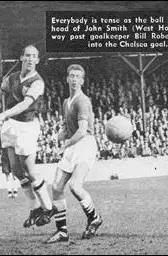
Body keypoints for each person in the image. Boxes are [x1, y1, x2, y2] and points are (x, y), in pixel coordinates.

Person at [0, 45, 55, 227]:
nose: (30, 59)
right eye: (27, 55)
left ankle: (48, 207)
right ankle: (34, 208)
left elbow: (25, 104)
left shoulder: (37, 82)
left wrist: (3, 114)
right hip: (11, 125)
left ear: (37, 60)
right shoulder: (12, 78)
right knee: (16, 170)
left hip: (27, 127)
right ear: (22, 57)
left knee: (30, 170)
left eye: (34, 57)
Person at [45, 64, 102, 244]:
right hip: (72, 145)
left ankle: (94, 218)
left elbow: (83, 130)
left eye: (78, 76)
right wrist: (60, 135)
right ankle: (62, 231)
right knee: (56, 187)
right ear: (67, 79)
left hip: (85, 145)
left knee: (75, 186)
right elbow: (67, 127)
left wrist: (66, 143)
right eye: (72, 76)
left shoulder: (82, 101)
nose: (75, 79)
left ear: (82, 81)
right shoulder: (66, 101)